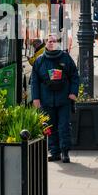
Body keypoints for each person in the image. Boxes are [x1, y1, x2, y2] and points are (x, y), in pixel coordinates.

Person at [31, 34, 79, 163]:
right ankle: (54, 152)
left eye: (54, 41)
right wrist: (35, 98)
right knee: (49, 127)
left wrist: (73, 93)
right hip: (46, 100)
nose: (51, 43)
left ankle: (65, 152)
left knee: (64, 126)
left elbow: (74, 75)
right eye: (49, 41)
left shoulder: (65, 58)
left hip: (63, 99)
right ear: (45, 43)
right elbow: (34, 81)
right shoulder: (39, 60)